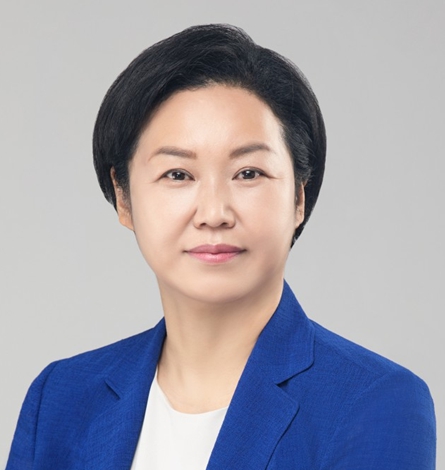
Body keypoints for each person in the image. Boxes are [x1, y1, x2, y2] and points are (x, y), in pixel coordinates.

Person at [6, 24, 436, 469]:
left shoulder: (375, 403)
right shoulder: (60, 399)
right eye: (178, 174)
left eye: (249, 173)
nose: (214, 213)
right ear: (124, 197)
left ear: (298, 197)